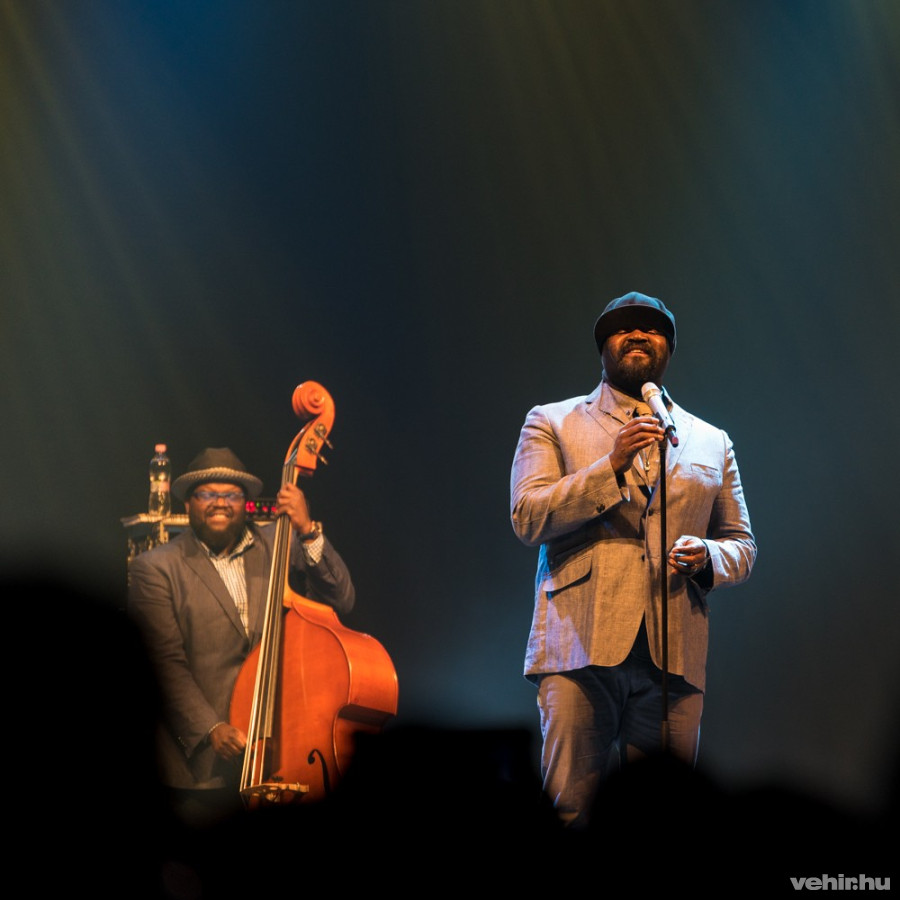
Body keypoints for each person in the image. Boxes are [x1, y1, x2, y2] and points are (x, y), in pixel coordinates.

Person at [510, 291, 756, 829]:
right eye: (624, 328)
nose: (639, 334)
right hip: (579, 646)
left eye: (654, 328)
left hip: (674, 655)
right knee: (569, 810)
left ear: (669, 349)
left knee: (665, 821)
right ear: (603, 347)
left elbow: (742, 543)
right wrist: (612, 466)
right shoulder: (552, 421)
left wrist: (708, 554)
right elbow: (528, 516)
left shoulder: (711, 440)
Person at [127, 446, 355, 828]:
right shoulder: (155, 568)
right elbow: (163, 664)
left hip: (279, 755)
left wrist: (307, 530)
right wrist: (210, 728)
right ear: (188, 503)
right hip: (201, 774)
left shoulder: (278, 543)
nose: (220, 503)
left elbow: (341, 600)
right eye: (207, 494)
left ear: (246, 503)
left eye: (231, 495)